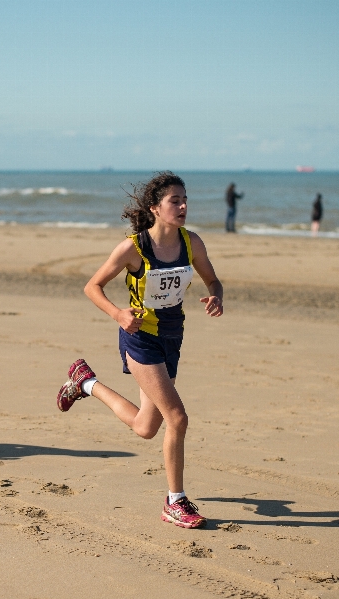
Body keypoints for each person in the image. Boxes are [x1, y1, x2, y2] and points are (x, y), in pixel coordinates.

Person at [56, 171, 224, 529]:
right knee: (177, 417)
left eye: (185, 200)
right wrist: (118, 313)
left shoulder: (191, 242)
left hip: (172, 337)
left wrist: (216, 295)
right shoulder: (133, 248)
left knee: (146, 427)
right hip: (139, 338)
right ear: (155, 208)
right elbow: (93, 286)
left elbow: (212, 277)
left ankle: (85, 383)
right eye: (174, 201)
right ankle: (174, 502)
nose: (182, 206)